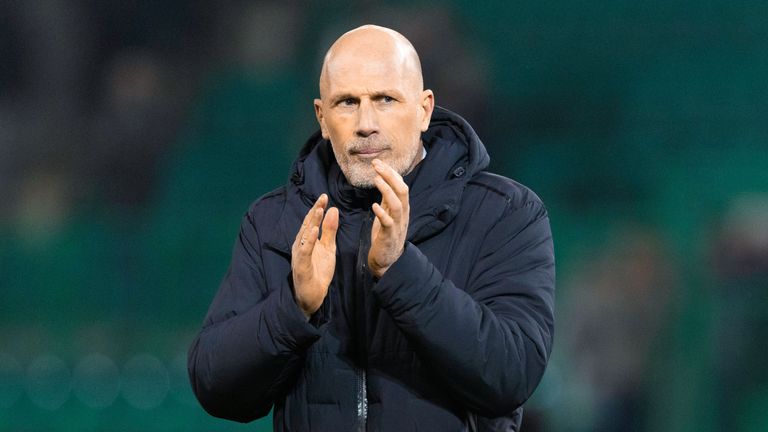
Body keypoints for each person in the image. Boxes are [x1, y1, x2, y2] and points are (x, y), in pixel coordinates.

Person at [188, 25, 555, 431]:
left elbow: (511, 375)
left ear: (424, 109)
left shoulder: (505, 213)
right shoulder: (273, 221)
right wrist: (293, 307)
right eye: (347, 102)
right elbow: (214, 385)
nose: (366, 123)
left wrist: (401, 272)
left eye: (385, 99)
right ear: (322, 118)